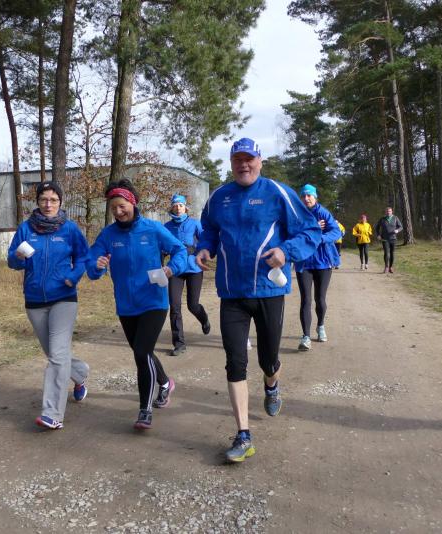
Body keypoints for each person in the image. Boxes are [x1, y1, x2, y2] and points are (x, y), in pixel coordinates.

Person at [196, 137, 321, 463]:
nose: (244, 165)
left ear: (260, 161)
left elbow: (310, 231)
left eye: (249, 159)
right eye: (238, 160)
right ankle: (243, 434)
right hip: (232, 294)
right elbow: (208, 229)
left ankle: (271, 383)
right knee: (235, 361)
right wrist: (205, 248)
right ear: (231, 163)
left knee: (268, 360)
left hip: (268, 291)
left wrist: (286, 251)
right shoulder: (219, 197)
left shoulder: (277, 193)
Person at [87, 179, 189, 430]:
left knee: (141, 353)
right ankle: (165, 383)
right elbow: (92, 262)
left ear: (133, 203)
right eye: (113, 208)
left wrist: (171, 268)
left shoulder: (153, 229)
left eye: (122, 206)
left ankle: (145, 409)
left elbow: (180, 251)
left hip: (154, 301)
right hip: (126, 305)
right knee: (144, 352)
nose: (118, 212)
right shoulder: (108, 235)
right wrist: (97, 266)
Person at [7, 181, 90, 430]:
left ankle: (52, 414)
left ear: (60, 202)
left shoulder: (69, 229)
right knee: (54, 353)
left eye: (53, 200)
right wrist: (17, 257)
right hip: (34, 300)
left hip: (63, 297)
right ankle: (80, 373)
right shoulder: (26, 228)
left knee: (57, 355)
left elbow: (84, 257)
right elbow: (12, 261)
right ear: (37, 202)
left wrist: (73, 277)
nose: (48, 204)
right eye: (44, 199)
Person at [294, 184, 342, 351]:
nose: (306, 198)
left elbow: (336, 232)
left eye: (309, 195)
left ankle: (320, 326)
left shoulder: (323, 213)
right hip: (304, 262)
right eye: (303, 196)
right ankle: (306, 336)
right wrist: (312, 228)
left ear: (315, 197)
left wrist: (318, 238)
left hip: (323, 262)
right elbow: (291, 232)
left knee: (320, 299)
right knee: (305, 300)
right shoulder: (297, 213)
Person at [163, 194, 211, 356]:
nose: (178, 208)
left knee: (193, 305)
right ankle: (179, 343)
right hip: (175, 270)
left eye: (181, 205)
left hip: (193, 268)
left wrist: (200, 253)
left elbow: (206, 241)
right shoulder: (166, 227)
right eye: (175, 205)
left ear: (185, 208)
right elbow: (162, 245)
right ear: (171, 208)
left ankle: (204, 318)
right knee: (174, 306)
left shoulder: (195, 223)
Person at [374, 207, 403, 273]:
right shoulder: (382, 219)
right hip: (385, 239)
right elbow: (377, 227)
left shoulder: (395, 218)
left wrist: (397, 230)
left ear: (392, 212)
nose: (388, 212)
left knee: (392, 253)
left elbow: (401, 227)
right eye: (387, 211)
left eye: (389, 211)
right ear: (385, 212)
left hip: (393, 238)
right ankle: (386, 267)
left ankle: (391, 267)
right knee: (386, 253)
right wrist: (378, 235)